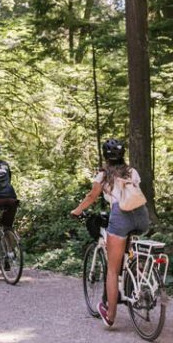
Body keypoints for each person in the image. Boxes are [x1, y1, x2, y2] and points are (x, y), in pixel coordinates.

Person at [70, 138, 150, 328]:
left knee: (113, 270)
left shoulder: (104, 175)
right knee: (130, 250)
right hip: (141, 216)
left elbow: (92, 196)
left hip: (120, 216)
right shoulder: (132, 171)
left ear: (106, 156)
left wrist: (77, 211)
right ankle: (139, 277)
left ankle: (111, 315)